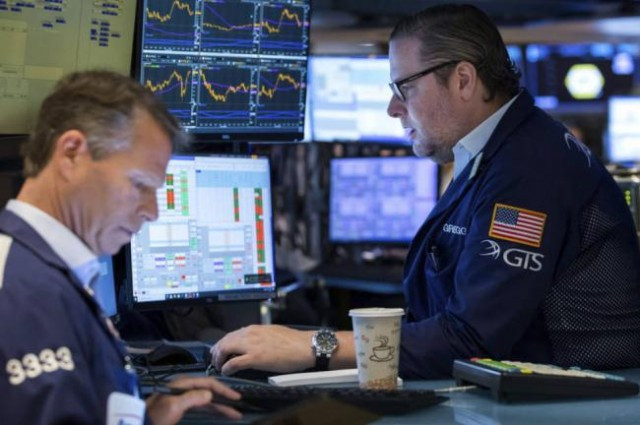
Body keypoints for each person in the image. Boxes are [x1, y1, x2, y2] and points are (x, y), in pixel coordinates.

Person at [210, 4, 640, 379]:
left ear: (463, 80)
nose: (393, 108)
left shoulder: (529, 169)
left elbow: (470, 338)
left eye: (405, 87)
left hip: (570, 403)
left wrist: (313, 347)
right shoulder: (502, 151)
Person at [0, 71, 242, 424]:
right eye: (139, 184)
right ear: (71, 153)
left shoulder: (53, 276)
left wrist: (144, 417)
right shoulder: (17, 287)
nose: (152, 211)